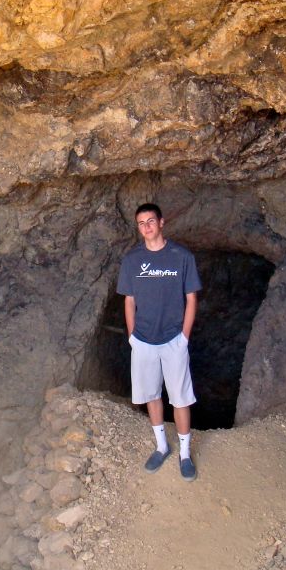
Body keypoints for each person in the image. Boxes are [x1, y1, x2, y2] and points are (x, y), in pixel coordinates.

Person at [117, 203, 201, 480]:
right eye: (141, 223)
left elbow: (191, 298)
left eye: (151, 221)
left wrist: (184, 337)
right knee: (151, 395)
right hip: (143, 340)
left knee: (180, 398)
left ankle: (185, 454)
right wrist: (132, 337)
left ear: (162, 223)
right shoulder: (132, 260)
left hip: (173, 339)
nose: (146, 227)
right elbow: (129, 301)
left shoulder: (181, 257)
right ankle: (162, 446)